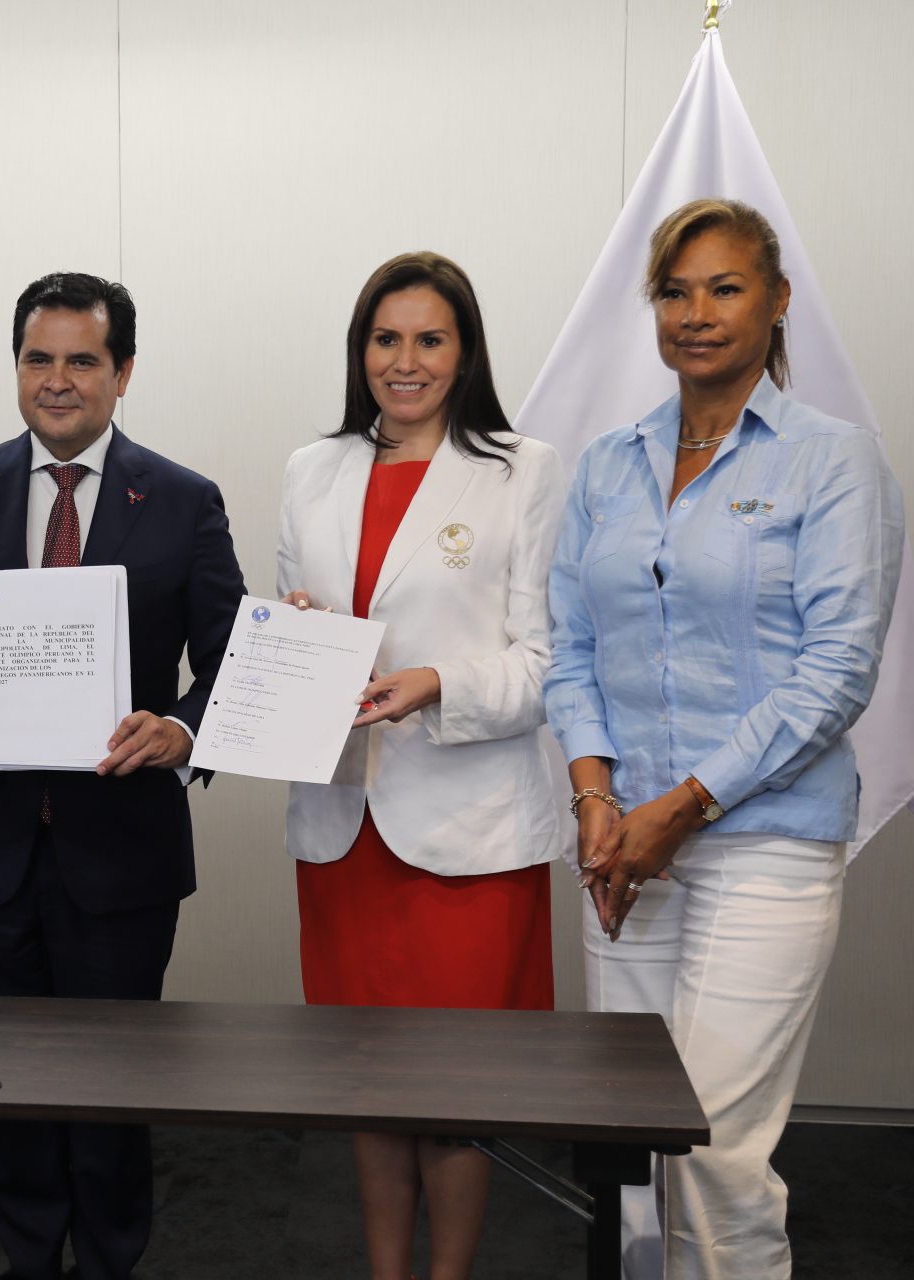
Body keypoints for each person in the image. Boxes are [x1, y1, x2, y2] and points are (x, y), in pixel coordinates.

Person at [545, 198, 904, 1279]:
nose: (696, 312)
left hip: (764, 845)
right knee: (627, 1148)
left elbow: (837, 671)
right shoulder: (607, 465)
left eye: (725, 287)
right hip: (626, 844)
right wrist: (597, 799)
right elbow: (571, 647)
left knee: (710, 1154)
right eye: (674, 290)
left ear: (778, 300)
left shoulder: (832, 461)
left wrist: (683, 805)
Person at [0, 271, 245, 1280]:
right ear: (16, 369)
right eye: (37, 358)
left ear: (122, 373)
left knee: (113, 1085)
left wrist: (181, 729)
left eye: (82, 360)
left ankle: (113, 1260)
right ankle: (29, 1258)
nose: (57, 379)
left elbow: (232, 659)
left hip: (120, 852)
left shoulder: (183, 500)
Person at [276, 252, 565, 1280]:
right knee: (367, 1082)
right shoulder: (310, 470)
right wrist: (294, 637)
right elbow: (293, 622)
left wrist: (438, 682)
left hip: (468, 834)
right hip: (343, 824)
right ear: (360, 350)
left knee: (454, 1089)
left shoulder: (524, 470)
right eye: (385, 339)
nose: (405, 361)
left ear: (465, 351)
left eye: (429, 339)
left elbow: (549, 662)